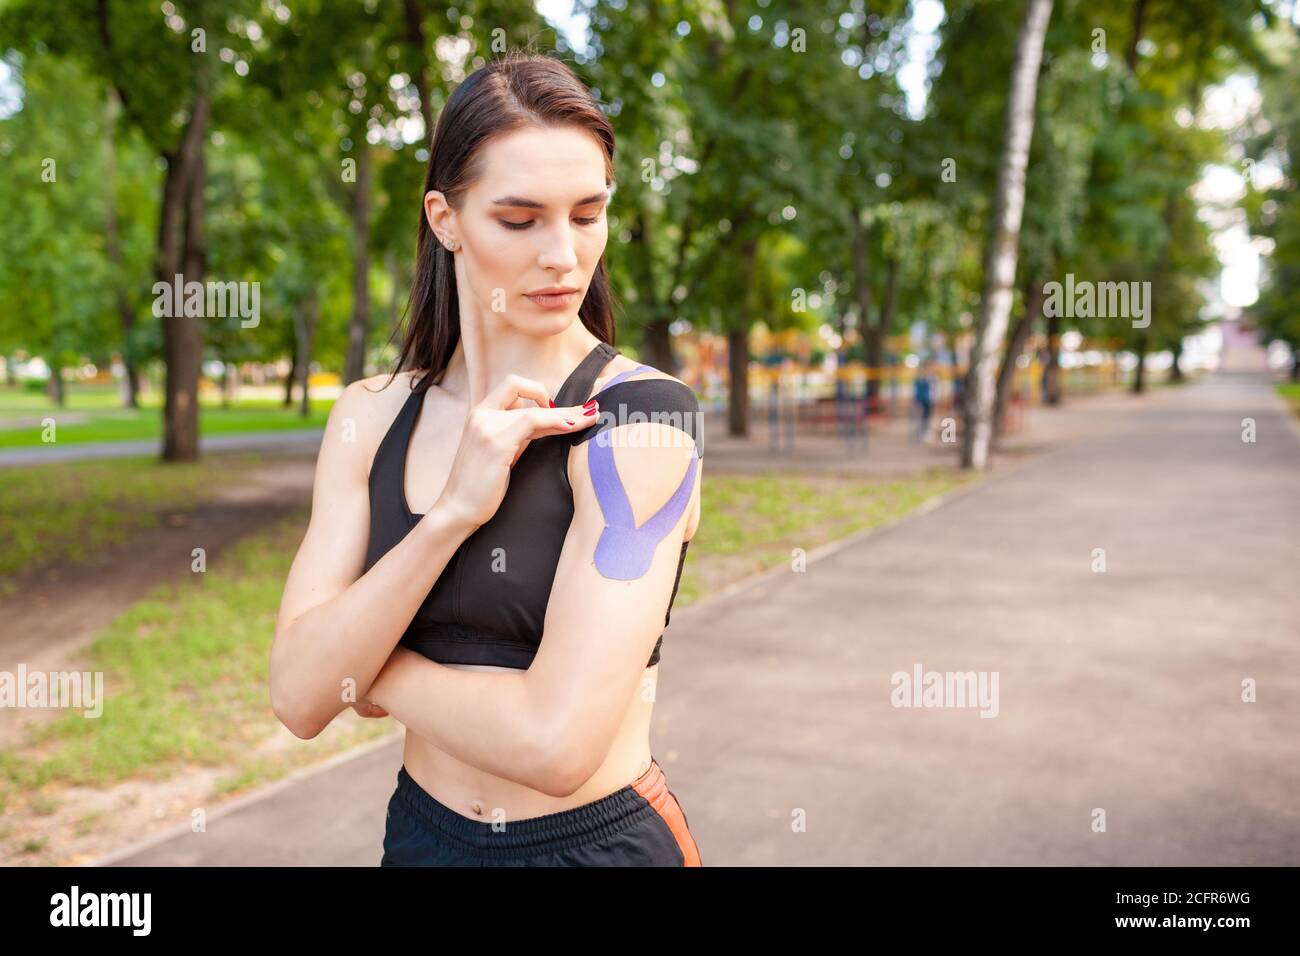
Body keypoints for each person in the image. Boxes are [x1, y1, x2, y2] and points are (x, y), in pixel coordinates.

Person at [270, 51, 703, 867]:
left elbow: (556, 742)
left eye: (587, 214)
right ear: (445, 220)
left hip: (595, 848)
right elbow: (297, 699)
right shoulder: (370, 415)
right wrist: (453, 515)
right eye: (520, 218)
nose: (564, 256)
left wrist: (362, 669)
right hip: (422, 838)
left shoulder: (644, 421)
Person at [912, 361, 934, 442]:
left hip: (929, 401)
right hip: (922, 401)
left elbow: (933, 391)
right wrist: (917, 401)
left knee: (927, 417)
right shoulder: (920, 379)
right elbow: (918, 391)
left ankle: (925, 433)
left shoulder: (931, 378)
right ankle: (920, 434)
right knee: (921, 418)